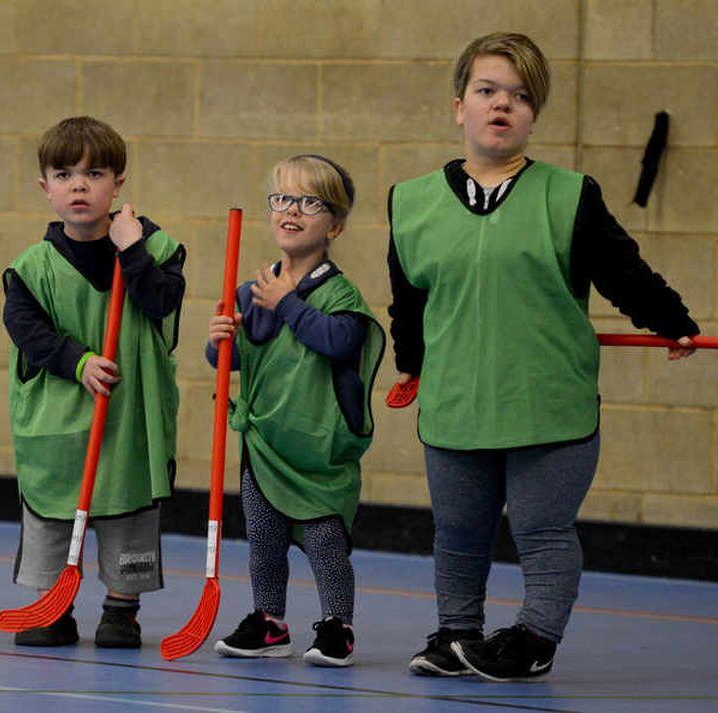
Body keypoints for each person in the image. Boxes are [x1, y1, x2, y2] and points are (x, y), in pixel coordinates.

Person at [389, 32, 698, 682]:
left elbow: (626, 274)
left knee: (543, 530)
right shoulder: (410, 203)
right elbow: (408, 301)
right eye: (487, 90)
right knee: (458, 532)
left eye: (521, 95)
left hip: (548, 404)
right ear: (459, 106)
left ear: (534, 114)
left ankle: (534, 637)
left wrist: (672, 322)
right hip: (456, 403)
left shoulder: (570, 195)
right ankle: (456, 633)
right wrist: (411, 363)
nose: (503, 104)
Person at [2, 116, 185, 648]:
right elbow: (26, 332)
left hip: (130, 414)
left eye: (94, 173)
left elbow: (161, 301)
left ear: (119, 183)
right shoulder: (28, 267)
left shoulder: (159, 249)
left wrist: (132, 252)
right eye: (64, 174)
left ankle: (121, 609)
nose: (79, 185)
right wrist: (77, 361)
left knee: (127, 507)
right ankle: (51, 604)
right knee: (52, 510)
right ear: (45, 188)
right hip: (59, 416)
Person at [208, 155, 384, 667]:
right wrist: (220, 342)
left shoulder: (339, 294)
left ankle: (336, 626)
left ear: (335, 224)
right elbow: (242, 358)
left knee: (326, 542)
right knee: (263, 540)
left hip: (318, 451)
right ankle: (269, 621)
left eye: (309, 202)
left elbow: (337, 340)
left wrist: (288, 303)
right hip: (265, 444)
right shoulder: (252, 290)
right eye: (282, 199)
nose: (291, 210)